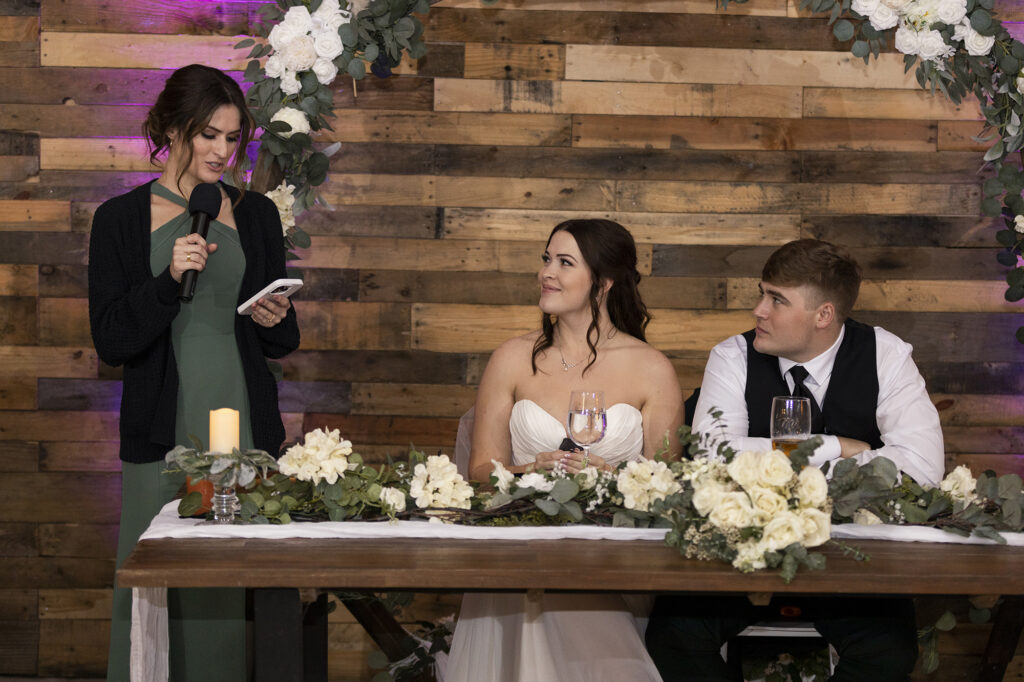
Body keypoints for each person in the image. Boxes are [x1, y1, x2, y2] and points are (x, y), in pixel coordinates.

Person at [645, 238, 943, 682]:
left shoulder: (886, 355)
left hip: (853, 556)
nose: (758, 311)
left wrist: (766, 455)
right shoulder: (732, 356)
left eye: (777, 299)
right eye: (762, 294)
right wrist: (841, 447)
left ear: (823, 315)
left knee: (889, 653)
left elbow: (921, 469)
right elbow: (712, 457)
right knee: (672, 638)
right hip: (739, 553)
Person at [88, 64, 300, 681]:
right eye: (208, 135)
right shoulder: (120, 218)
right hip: (160, 424)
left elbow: (281, 340)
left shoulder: (256, 215)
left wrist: (276, 315)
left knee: (221, 585)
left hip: (237, 419)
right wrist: (166, 281)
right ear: (173, 129)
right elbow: (111, 340)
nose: (221, 151)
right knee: (150, 584)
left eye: (232, 139)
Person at [447, 219, 684, 682]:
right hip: (522, 543)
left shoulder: (651, 368)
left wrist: (612, 479)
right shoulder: (512, 358)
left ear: (604, 282)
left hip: (613, 553)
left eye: (564, 262)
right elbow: (479, 470)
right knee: (533, 587)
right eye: (546, 260)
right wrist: (527, 469)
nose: (546, 273)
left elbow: (668, 484)